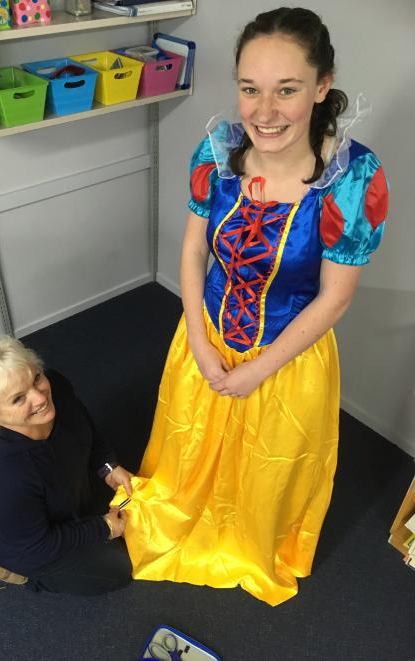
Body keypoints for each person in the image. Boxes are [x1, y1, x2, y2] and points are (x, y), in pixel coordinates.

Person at [111, 7, 389, 606]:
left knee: (268, 470)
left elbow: (334, 297)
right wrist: (200, 341)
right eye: (250, 89)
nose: (264, 113)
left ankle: (252, 540)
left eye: (286, 90)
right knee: (190, 457)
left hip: (288, 361)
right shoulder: (217, 154)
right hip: (205, 338)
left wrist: (258, 370)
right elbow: (191, 255)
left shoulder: (351, 179)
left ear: (321, 87)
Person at [0, 335, 133, 596]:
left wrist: (107, 466)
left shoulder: (54, 385)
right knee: (119, 571)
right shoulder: (3, 477)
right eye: (18, 399)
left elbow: (85, 424)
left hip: (65, 495)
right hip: (28, 547)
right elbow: (36, 546)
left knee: (130, 525)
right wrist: (102, 528)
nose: (40, 397)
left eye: (36, 378)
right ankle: (6, 567)